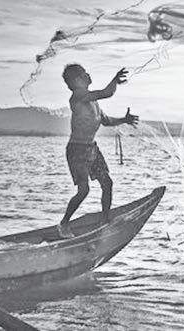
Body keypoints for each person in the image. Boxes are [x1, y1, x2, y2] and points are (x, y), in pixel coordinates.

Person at [58, 64, 139, 238]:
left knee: (107, 184)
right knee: (83, 190)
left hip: (91, 148)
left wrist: (124, 119)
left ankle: (104, 221)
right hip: (77, 150)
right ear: (77, 80)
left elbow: (106, 121)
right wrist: (115, 80)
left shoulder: (92, 101)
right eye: (84, 73)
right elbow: (107, 93)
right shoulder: (78, 97)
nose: (88, 75)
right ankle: (64, 224)